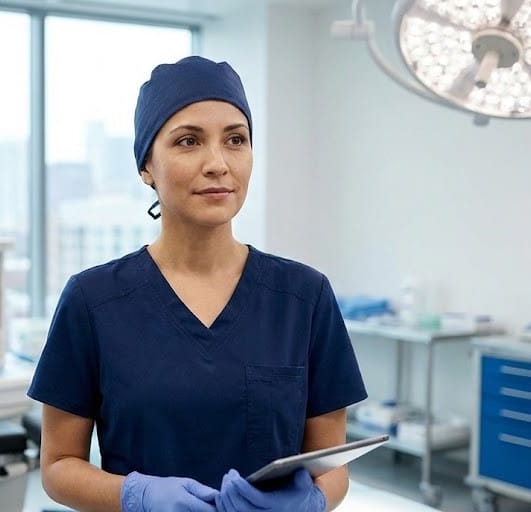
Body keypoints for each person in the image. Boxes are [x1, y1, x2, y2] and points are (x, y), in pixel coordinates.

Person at [26, 56, 368, 512]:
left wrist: (312, 502)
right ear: (146, 165)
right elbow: (58, 466)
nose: (218, 164)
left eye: (236, 140)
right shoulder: (93, 301)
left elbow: (332, 465)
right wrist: (134, 495)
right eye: (188, 141)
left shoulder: (304, 297)